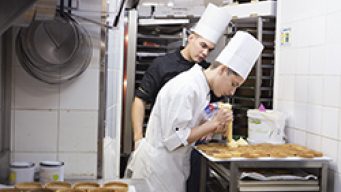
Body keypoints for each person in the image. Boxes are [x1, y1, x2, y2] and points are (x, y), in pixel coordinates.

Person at [126, 31, 264, 192]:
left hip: (172, 168)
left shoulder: (202, 86)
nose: (232, 92)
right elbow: (173, 139)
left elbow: (186, 125)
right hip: (159, 171)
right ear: (222, 70)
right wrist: (213, 124)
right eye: (233, 84)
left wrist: (210, 126)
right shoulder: (187, 87)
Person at [131, 3, 232, 149]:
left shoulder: (206, 71)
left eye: (210, 50)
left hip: (195, 145)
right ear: (191, 38)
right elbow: (140, 100)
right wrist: (138, 139)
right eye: (203, 45)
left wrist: (217, 123)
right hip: (162, 144)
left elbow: (216, 106)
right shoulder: (162, 64)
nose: (205, 53)